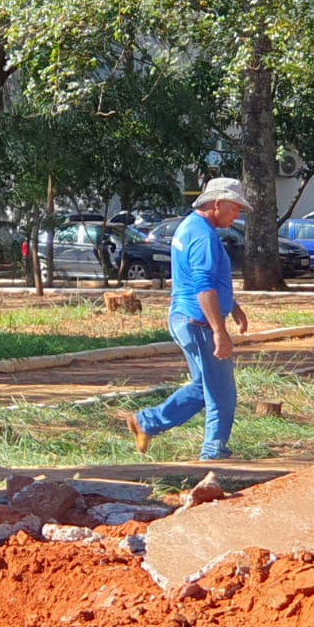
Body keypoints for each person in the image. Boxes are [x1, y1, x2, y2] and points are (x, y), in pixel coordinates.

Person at [122, 177, 250, 460]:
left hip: (186, 317)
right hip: (199, 322)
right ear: (218, 204)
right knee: (222, 393)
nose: (238, 214)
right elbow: (203, 286)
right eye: (236, 208)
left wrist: (233, 305)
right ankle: (213, 452)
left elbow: (206, 279)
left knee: (204, 386)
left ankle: (147, 422)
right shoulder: (203, 235)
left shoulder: (190, 226)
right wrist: (219, 330)